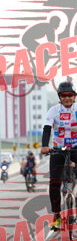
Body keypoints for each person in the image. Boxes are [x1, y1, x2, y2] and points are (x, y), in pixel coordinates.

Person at [40, 81, 77, 230]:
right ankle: (56, 215)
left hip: (76, 148)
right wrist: (44, 145)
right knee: (54, 183)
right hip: (58, 149)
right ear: (60, 97)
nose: (67, 98)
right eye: (64, 95)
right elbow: (47, 128)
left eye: (70, 95)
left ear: (74, 96)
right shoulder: (53, 111)